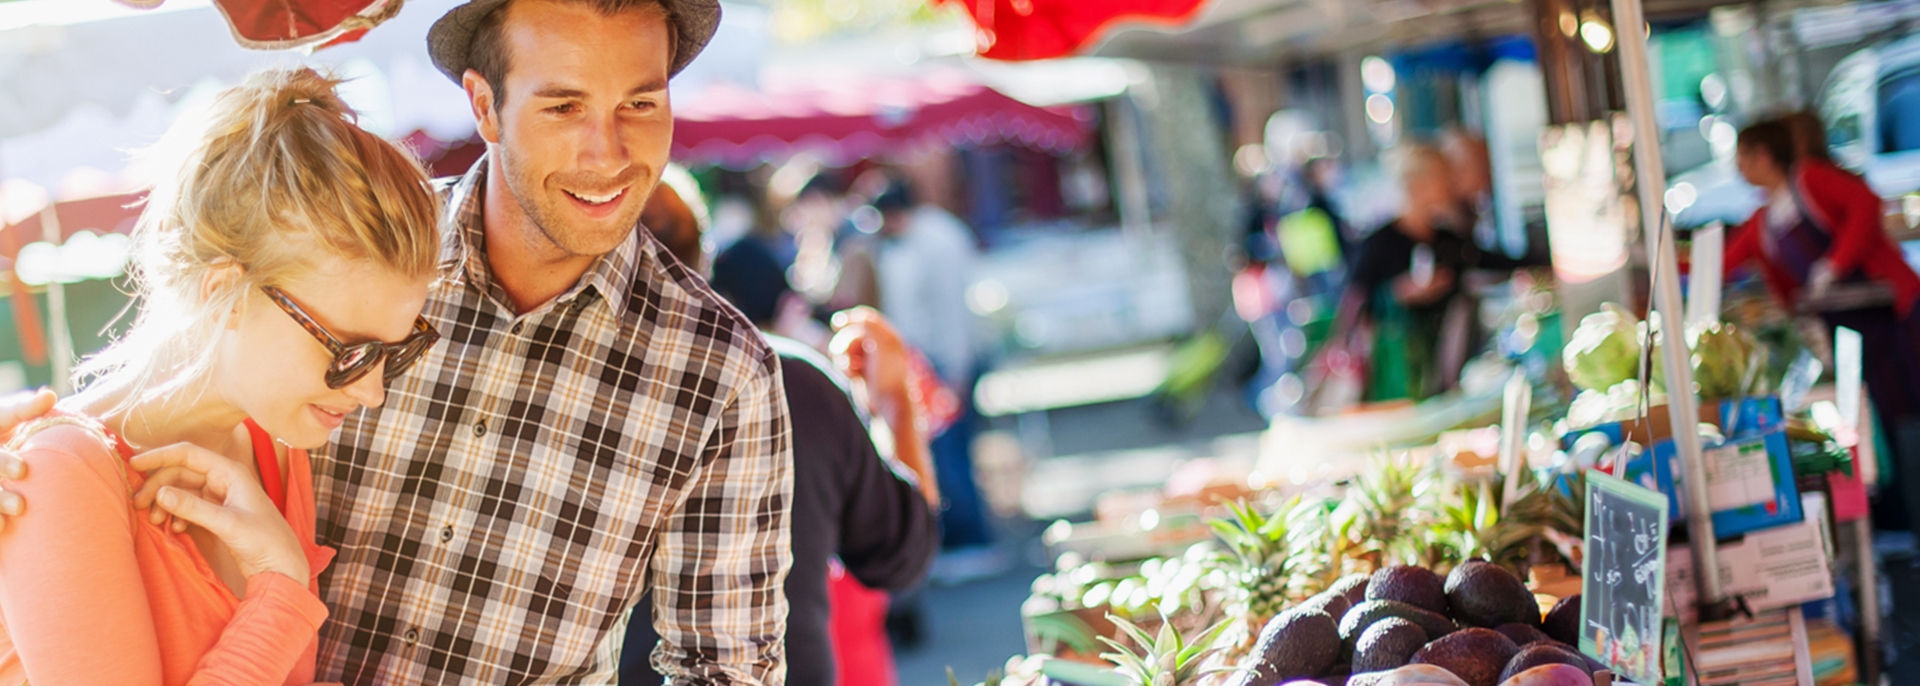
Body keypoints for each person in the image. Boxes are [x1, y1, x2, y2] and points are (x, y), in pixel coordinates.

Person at [0, 0, 795, 683]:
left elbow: (725, 668)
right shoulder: (350, 264)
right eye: (562, 106)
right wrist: (37, 464)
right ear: (484, 107)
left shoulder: (723, 372)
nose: (608, 151)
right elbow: (144, 405)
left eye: (641, 104)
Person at [0, 68, 442, 684]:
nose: (371, 393)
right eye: (347, 351)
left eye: (395, 353)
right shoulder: (56, 474)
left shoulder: (276, 443)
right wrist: (281, 592)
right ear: (226, 291)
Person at [623, 182, 941, 686]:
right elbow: (901, 554)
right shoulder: (791, 380)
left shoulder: (548, 393)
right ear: (706, 260)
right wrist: (897, 401)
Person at [1725, 117, 1920, 527]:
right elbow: (1725, 262)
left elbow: (1865, 205)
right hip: (1855, 334)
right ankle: (1905, 516)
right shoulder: (1765, 219)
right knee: (1890, 419)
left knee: (1912, 413)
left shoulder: (1810, 180)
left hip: (1897, 314)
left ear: (1763, 155)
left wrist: (1835, 262)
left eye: (1741, 156)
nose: (1737, 167)